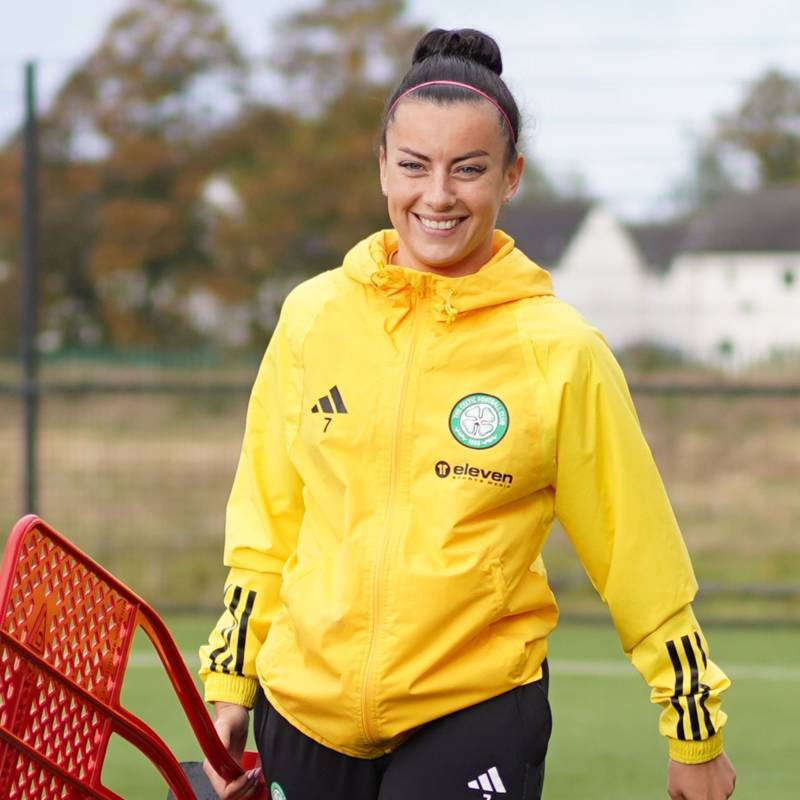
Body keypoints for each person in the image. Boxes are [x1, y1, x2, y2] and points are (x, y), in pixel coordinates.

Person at [198, 28, 736, 800]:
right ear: (382, 165)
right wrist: (231, 683)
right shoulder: (311, 316)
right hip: (302, 708)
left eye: (469, 169)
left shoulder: (561, 350)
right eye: (414, 165)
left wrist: (693, 729)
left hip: (475, 709)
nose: (438, 194)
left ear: (511, 176)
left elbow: (638, 554)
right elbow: (266, 525)